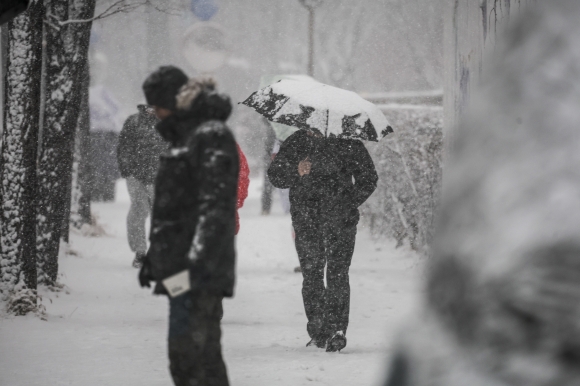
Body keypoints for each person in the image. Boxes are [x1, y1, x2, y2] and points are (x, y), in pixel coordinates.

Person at [138, 66, 238, 386]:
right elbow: (175, 210)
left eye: (156, 104)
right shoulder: (187, 135)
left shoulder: (210, 135)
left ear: (171, 99)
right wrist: (156, 256)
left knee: (195, 357)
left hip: (197, 271)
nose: (154, 112)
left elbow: (215, 207)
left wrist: (198, 261)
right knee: (189, 357)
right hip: (180, 268)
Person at [268, 128, 378, 352]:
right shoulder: (297, 141)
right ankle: (318, 330)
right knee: (312, 274)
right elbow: (276, 176)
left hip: (341, 221)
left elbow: (368, 178)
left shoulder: (348, 143)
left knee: (338, 272)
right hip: (306, 219)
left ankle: (337, 329)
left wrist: (348, 203)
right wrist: (296, 170)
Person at [117, 104, 166, 268]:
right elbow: (123, 147)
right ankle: (140, 252)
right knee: (139, 210)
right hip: (136, 176)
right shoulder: (133, 122)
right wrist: (127, 171)